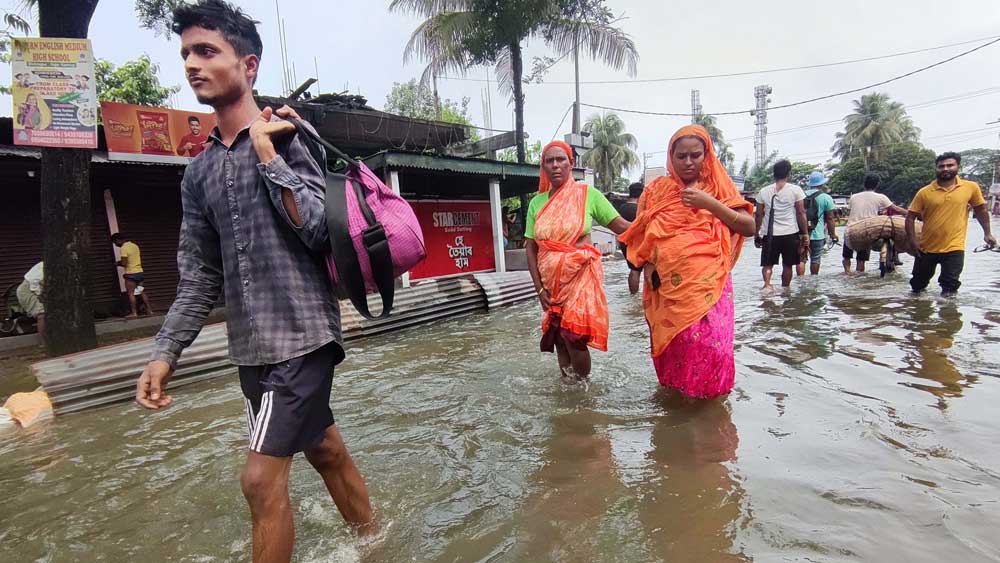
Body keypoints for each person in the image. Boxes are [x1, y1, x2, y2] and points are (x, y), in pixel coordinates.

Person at [134, 2, 375, 560]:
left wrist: (269, 154)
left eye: (206, 51)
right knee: (325, 450)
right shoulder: (196, 175)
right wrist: (165, 352)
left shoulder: (290, 135)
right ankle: (377, 540)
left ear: (249, 65)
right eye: (186, 54)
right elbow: (198, 276)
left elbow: (320, 231)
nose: (193, 64)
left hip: (304, 337)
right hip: (251, 349)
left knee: (259, 481)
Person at [619, 125, 755, 398]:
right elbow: (641, 235)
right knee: (678, 346)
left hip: (710, 286)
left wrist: (710, 204)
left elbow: (749, 227)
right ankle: (678, 410)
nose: (689, 162)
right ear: (671, 156)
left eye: (696, 155)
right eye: (682, 156)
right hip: (668, 289)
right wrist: (647, 265)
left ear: (707, 155)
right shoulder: (657, 190)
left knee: (710, 346)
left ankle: (710, 413)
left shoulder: (717, 186)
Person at [525, 140, 630, 384]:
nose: (555, 165)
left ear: (571, 163)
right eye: (549, 161)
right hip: (551, 284)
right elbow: (530, 248)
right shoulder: (536, 203)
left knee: (575, 337)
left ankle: (584, 389)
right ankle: (567, 386)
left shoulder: (588, 195)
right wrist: (539, 288)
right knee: (559, 337)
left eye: (560, 159)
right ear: (543, 167)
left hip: (579, 280)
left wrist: (652, 225)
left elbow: (621, 227)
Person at [906, 152, 996, 297]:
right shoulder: (924, 192)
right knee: (917, 285)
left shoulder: (970, 187)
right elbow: (910, 217)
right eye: (941, 166)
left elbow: (981, 210)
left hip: (955, 246)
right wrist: (912, 241)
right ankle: (918, 315)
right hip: (926, 247)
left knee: (950, 286)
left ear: (958, 167)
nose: (945, 169)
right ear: (936, 169)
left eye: (950, 165)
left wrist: (987, 233)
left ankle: (948, 317)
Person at [753, 159, 808, 289]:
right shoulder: (796, 190)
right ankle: (785, 290)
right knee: (787, 265)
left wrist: (757, 234)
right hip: (790, 233)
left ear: (774, 174)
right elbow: (800, 213)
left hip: (769, 234)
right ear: (789, 174)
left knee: (767, 264)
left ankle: (767, 286)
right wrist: (805, 233)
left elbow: (759, 215)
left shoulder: (763, 191)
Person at [842, 173, 909, 274]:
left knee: (847, 256)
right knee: (861, 260)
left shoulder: (854, 197)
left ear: (864, 184)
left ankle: (847, 273)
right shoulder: (881, 197)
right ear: (877, 185)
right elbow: (895, 208)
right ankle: (860, 275)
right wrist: (910, 214)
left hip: (849, 230)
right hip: (865, 230)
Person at [797, 170, 838, 276]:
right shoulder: (826, 198)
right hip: (818, 235)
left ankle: (800, 282)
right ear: (822, 184)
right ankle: (814, 282)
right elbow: (830, 218)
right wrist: (833, 235)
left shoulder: (800, 195)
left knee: (801, 259)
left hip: (801, 233)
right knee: (815, 259)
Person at [111, 233, 154, 318]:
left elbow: (124, 263)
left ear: (118, 240)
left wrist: (117, 263)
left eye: (115, 243)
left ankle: (134, 313)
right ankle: (150, 311)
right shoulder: (134, 245)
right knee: (141, 292)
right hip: (140, 273)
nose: (116, 245)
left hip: (131, 274)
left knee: (131, 293)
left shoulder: (124, 248)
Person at [618, 181, 644, 294]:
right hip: (638, 243)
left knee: (633, 269)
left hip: (623, 242)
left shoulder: (622, 207)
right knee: (640, 270)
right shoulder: (639, 210)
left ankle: (633, 295)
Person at [15, 261, 45, 345]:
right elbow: (33, 280)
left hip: (38, 289)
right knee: (42, 313)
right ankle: (42, 343)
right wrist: (39, 294)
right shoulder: (44, 265)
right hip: (28, 290)